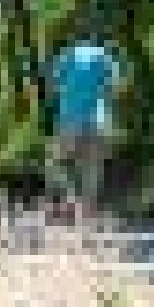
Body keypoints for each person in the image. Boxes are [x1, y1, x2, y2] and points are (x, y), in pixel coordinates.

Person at [49, 31, 122, 222]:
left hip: (70, 118)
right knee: (93, 166)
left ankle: (70, 198)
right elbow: (115, 87)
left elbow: (55, 84)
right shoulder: (104, 57)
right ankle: (87, 210)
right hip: (98, 119)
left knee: (58, 161)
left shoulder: (67, 56)